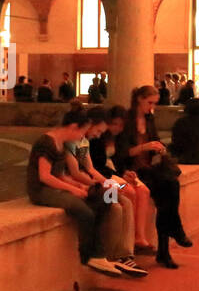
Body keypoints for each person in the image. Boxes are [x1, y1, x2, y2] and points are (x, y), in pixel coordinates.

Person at [26, 108, 128, 277]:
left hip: (55, 187)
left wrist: (78, 186)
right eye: (81, 131)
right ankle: (88, 254)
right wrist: (72, 188)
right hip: (42, 191)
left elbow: (60, 175)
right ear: (73, 127)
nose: (82, 135)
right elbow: (44, 177)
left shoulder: (59, 144)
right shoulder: (46, 143)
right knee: (84, 212)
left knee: (103, 200)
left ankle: (99, 252)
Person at [63, 108, 146, 276]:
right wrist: (101, 184)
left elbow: (91, 169)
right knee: (115, 206)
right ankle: (113, 254)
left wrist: (107, 183)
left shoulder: (84, 142)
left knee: (126, 200)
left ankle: (124, 254)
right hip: (83, 186)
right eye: (98, 131)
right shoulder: (73, 143)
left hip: (95, 183)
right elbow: (76, 172)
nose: (99, 135)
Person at [117, 85, 193, 268]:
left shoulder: (149, 119)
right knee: (167, 194)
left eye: (155, 103)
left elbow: (156, 141)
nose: (152, 107)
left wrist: (159, 148)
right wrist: (145, 147)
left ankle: (167, 246)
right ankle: (173, 236)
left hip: (150, 167)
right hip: (134, 170)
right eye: (150, 103)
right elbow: (122, 152)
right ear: (139, 100)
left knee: (170, 191)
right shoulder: (126, 121)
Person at [88, 105, 154, 254]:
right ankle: (125, 246)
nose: (116, 128)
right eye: (114, 124)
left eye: (120, 125)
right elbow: (94, 166)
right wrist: (117, 176)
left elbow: (119, 160)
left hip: (113, 174)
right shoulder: (95, 140)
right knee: (127, 193)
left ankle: (138, 238)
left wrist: (124, 173)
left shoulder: (117, 139)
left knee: (143, 191)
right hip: (105, 176)